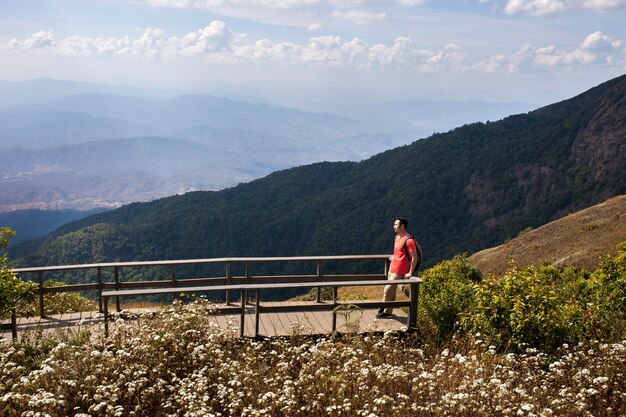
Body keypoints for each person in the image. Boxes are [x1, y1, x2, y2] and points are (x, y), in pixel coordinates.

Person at [377, 217, 419, 318]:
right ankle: (388, 313)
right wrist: (393, 257)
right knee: (391, 291)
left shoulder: (409, 241)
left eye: (396, 225)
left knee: (387, 290)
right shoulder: (397, 237)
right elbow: (398, 252)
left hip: (400, 270)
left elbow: (414, 257)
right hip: (392, 268)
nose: (394, 227)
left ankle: (383, 308)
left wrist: (410, 272)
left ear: (402, 226)